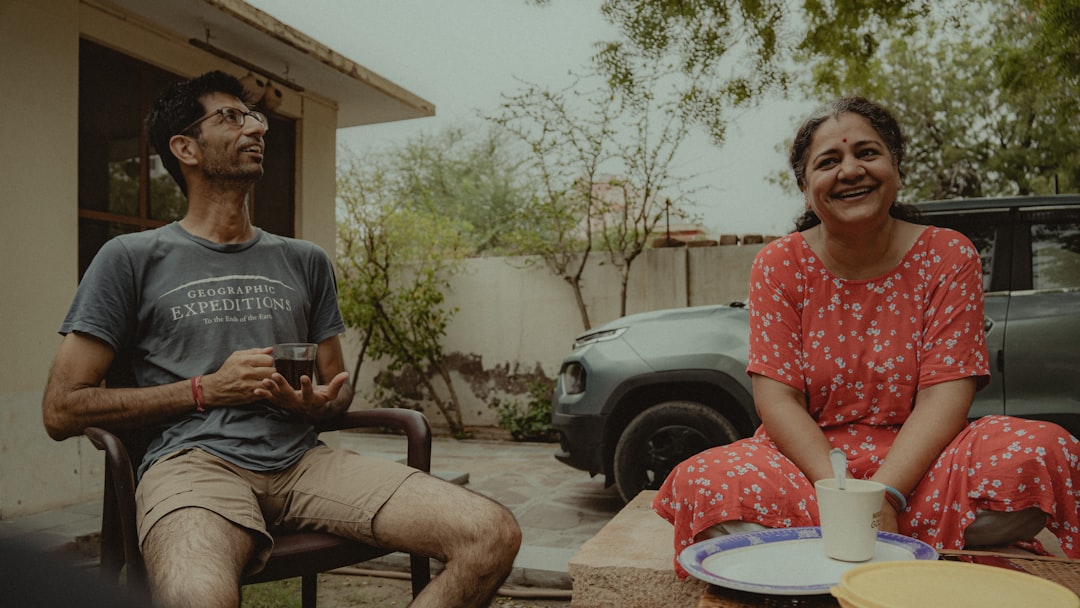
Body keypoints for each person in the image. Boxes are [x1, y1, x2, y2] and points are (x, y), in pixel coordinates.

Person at [42, 70, 521, 608]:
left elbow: (336, 386)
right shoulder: (130, 258)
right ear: (185, 148)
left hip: (304, 462)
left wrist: (320, 403)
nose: (255, 128)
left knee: (491, 534)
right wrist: (205, 390)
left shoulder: (304, 259)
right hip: (194, 467)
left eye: (255, 117)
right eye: (231, 116)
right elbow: (61, 409)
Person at [653, 96, 1080, 577]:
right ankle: (890, 535)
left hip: (926, 464)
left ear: (896, 167)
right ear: (805, 185)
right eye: (829, 162)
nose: (850, 170)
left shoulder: (947, 256)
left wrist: (888, 495)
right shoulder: (779, 265)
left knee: (1046, 450)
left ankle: (830, 540)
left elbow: (946, 393)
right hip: (808, 469)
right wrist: (843, 499)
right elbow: (778, 399)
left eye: (867, 153)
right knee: (704, 481)